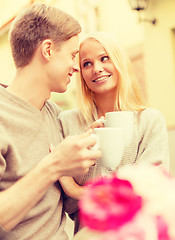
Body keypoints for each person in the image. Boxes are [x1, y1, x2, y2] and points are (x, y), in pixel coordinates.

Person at [0, 4, 102, 240]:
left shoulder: (56, 116)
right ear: (47, 50)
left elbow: (69, 203)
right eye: (72, 55)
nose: (76, 67)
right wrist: (54, 165)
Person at [58, 31, 170, 233]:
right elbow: (66, 204)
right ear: (80, 73)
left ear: (119, 62)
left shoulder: (150, 121)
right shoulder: (67, 122)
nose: (97, 69)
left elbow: (149, 193)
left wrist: (75, 189)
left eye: (104, 58)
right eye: (87, 64)